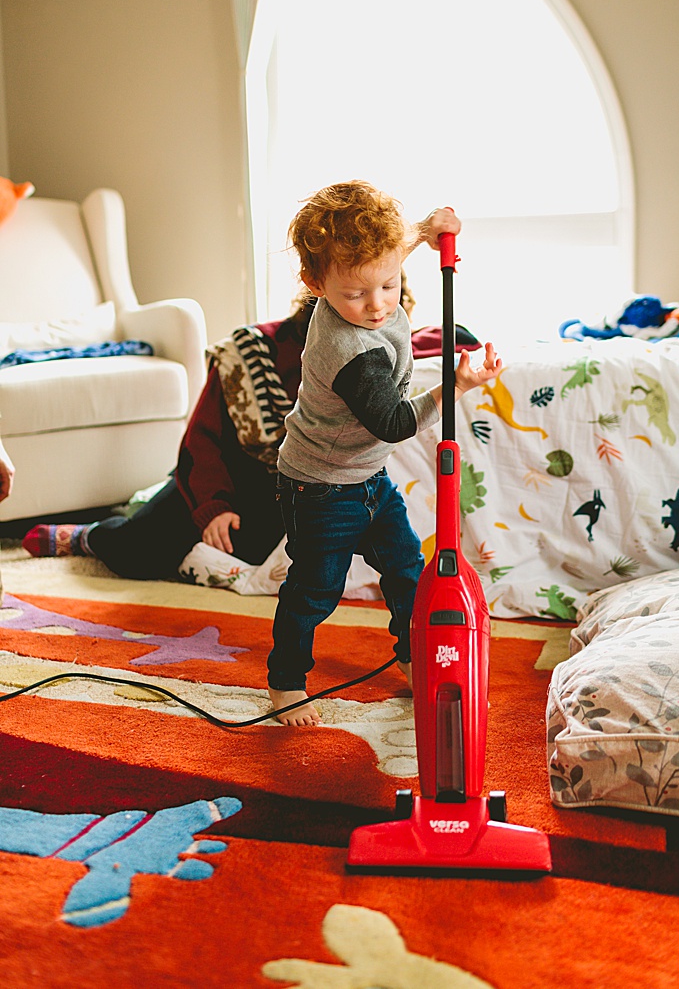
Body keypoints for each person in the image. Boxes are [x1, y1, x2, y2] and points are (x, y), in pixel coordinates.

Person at [21, 251, 474, 580]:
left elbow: (444, 339)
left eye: (386, 299)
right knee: (140, 550)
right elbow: (201, 438)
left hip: (287, 490)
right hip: (221, 477)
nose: (373, 310)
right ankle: (91, 535)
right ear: (322, 298)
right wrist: (213, 506)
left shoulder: (378, 345)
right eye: (356, 296)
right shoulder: (254, 348)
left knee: (258, 556)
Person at [266, 181, 499, 726]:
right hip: (319, 487)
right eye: (356, 294)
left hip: (368, 478)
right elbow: (394, 423)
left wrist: (426, 228)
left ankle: (412, 654)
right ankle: (285, 682)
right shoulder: (350, 353)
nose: (376, 306)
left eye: (390, 285)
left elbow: (385, 255)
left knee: (407, 571)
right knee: (314, 591)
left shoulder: (370, 280)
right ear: (314, 283)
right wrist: (457, 385)